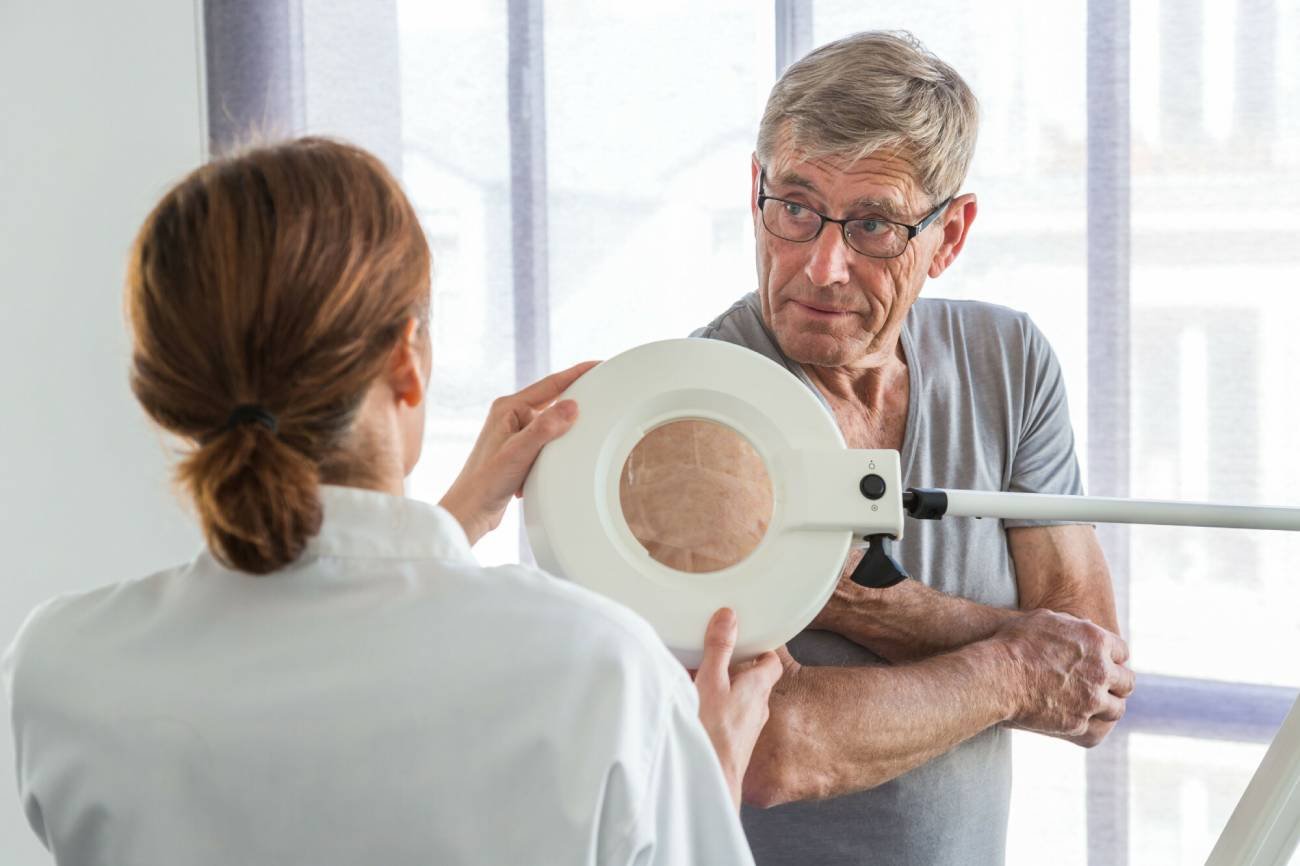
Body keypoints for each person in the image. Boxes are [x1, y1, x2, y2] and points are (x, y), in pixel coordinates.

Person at [1, 137, 781, 865]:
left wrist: (446, 527)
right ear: (406, 362)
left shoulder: (62, 669)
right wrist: (699, 782)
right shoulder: (600, 672)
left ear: (169, 392)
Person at [689, 31, 1136, 865]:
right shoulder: (700, 406)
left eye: (873, 226)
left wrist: (879, 606)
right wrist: (1012, 670)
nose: (821, 266)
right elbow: (781, 746)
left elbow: (1091, 680)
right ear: (755, 191)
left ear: (951, 233)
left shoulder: (1010, 361)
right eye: (794, 207)